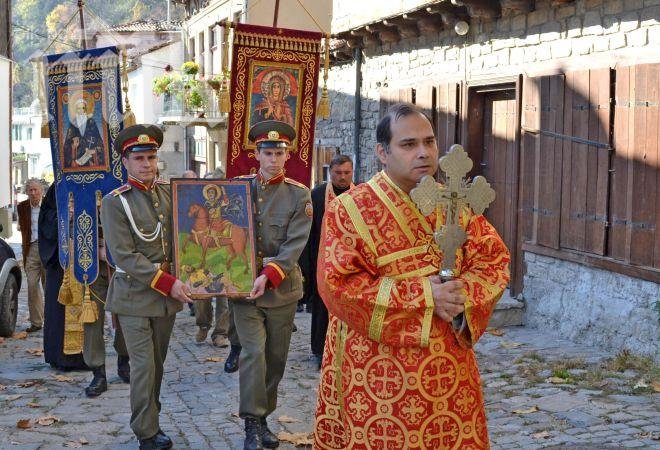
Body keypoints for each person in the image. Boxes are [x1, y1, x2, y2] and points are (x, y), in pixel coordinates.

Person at [313, 103, 510, 449]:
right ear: (382, 153)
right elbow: (339, 286)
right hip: (377, 369)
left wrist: (461, 296)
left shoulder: (454, 204)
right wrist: (425, 295)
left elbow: (493, 259)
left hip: (448, 364)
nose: (423, 152)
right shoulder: (349, 209)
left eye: (429, 142)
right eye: (408, 144)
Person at [101, 124, 193, 450]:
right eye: (138, 158)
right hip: (134, 296)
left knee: (158, 363)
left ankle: (152, 420)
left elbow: (187, 237)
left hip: (165, 300)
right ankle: (146, 432)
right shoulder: (116, 202)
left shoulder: (170, 193)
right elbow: (124, 255)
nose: (146, 164)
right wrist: (168, 283)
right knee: (143, 366)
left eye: (151, 157)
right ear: (125, 161)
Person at [233, 120, 312, 450]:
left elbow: (295, 244)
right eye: (268, 152)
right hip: (243, 289)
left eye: (280, 153)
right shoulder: (237, 188)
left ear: (287, 155)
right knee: (253, 353)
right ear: (257, 154)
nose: (274, 159)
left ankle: (264, 417)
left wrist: (270, 272)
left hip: (281, 290)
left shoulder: (298, 194)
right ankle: (252, 422)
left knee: (275, 357)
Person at [300, 154, 354, 370]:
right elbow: (308, 232)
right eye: (338, 173)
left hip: (351, 262)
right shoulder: (317, 195)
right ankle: (319, 350)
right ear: (330, 172)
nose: (342, 177)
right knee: (322, 307)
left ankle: (347, 350)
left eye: (347, 173)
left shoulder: (360, 193)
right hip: (322, 259)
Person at [38, 183, 88, 370]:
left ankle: (83, 355)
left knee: (86, 307)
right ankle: (59, 357)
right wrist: (66, 215)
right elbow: (46, 219)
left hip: (83, 260)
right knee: (58, 312)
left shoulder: (88, 182)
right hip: (61, 262)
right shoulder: (57, 186)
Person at [194, 168, 243, 359]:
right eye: (211, 190)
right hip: (205, 249)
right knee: (202, 292)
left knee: (223, 292)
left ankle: (221, 332)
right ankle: (203, 324)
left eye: (216, 189)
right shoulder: (201, 205)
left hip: (221, 247)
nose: (213, 193)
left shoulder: (225, 204)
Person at [82, 229, 130, 397]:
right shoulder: (84, 200)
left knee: (126, 316)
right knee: (92, 319)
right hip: (93, 268)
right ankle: (98, 372)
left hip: (124, 264)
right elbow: (72, 225)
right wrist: (94, 247)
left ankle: (124, 360)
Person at [17, 179, 46, 332]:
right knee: (32, 285)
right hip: (32, 249)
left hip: (48, 249)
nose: (33, 193)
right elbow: (23, 229)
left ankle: (54, 319)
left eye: (36, 190)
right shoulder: (22, 207)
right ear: (27, 192)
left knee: (50, 286)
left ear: (41, 191)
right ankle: (36, 322)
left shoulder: (49, 204)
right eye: (30, 190)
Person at [63, 94, 105, 168]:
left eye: (82, 108)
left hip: (90, 155)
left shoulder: (91, 122)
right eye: (78, 108)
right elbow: (67, 144)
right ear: (76, 109)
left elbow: (99, 141)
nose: (81, 110)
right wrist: (73, 145)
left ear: (85, 109)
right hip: (77, 154)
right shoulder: (73, 123)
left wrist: (94, 150)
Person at [181, 170, 198, 317]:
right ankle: (192, 302)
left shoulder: (198, 195)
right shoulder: (180, 196)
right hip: (185, 234)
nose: (192, 183)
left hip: (198, 235)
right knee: (188, 269)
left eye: (194, 180)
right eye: (189, 181)